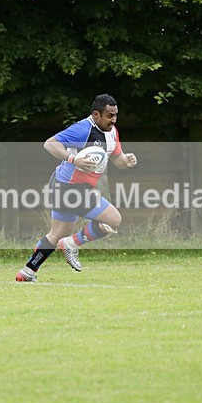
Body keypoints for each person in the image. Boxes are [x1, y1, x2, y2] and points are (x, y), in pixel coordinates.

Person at [15, 93, 137, 282]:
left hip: (64, 186)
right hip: (70, 188)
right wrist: (73, 159)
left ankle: (27, 272)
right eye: (109, 116)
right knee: (113, 219)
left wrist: (126, 161)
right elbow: (50, 144)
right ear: (96, 114)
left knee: (57, 233)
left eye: (115, 115)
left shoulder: (112, 132)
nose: (113, 120)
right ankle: (71, 243)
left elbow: (117, 159)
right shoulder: (82, 129)